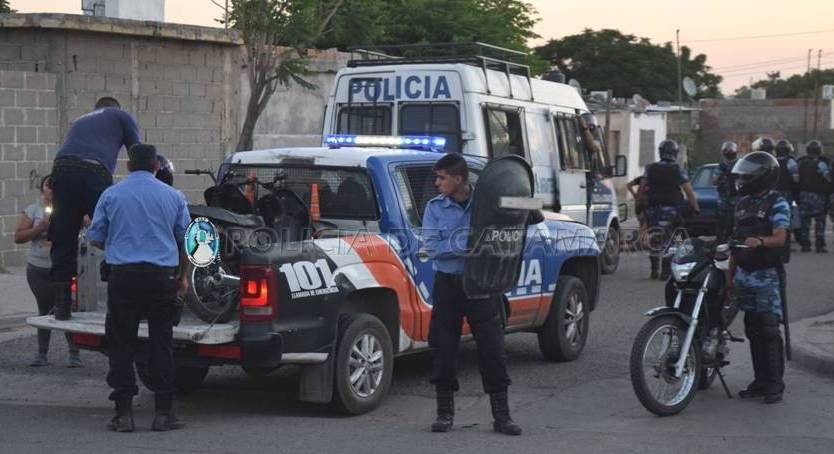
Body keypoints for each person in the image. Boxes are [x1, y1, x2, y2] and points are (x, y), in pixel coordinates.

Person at [86, 144, 191, 432]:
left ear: (129, 166)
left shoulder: (111, 194)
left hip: (123, 277)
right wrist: (182, 277)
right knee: (161, 344)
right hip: (161, 279)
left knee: (121, 345)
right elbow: (187, 242)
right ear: (157, 167)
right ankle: (163, 413)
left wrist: (120, 242)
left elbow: (95, 238)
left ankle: (123, 415)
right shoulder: (174, 197)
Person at [422, 153, 521, 436]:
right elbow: (430, 247)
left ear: (459, 179)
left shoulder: (488, 202)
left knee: (493, 349)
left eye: (442, 177)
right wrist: (468, 243)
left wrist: (526, 201)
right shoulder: (435, 207)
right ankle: (444, 414)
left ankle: (502, 416)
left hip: (483, 284)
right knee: (444, 348)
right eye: (436, 177)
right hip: (449, 284)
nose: (437, 182)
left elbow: (529, 210)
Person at [49, 97, 141, 320]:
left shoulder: (81, 120)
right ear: (115, 107)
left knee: (63, 234)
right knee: (115, 231)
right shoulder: (122, 116)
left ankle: (62, 305)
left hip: (60, 170)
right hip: (92, 172)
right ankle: (118, 297)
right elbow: (138, 156)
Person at [729, 151, 790, 404]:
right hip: (743, 273)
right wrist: (730, 278)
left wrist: (760, 241)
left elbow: (781, 237)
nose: (743, 178)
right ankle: (759, 381)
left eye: (748, 174)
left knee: (767, 329)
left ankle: (774, 384)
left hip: (766, 276)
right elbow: (735, 243)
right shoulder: (742, 203)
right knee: (752, 328)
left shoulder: (778, 203)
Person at [14, 175, 81, 368]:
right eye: (47, 186)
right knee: (44, 311)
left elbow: (87, 224)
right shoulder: (33, 210)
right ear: (42, 189)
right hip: (39, 269)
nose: (51, 189)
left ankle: (74, 353)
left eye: (55, 186)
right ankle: (41, 354)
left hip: (65, 269)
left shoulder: (70, 210)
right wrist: (39, 228)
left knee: (68, 309)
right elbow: (18, 237)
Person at [644, 140, 699, 280]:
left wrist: (640, 205)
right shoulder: (677, 169)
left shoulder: (650, 168)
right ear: (675, 153)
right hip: (672, 211)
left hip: (653, 210)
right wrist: (695, 207)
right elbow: (688, 190)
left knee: (654, 238)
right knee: (677, 238)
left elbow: (641, 189)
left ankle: (654, 268)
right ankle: (666, 270)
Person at [796, 140, 831, 253]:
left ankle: (805, 245)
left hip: (803, 195)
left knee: (805, 222)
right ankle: (819, 245)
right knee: (820, 220)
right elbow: (828, 178)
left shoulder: (800, 162)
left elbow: (796, 178)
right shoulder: (821, 163)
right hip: (818, 196)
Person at [713, 141, 740, 242]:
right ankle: (721, 241)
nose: (728, 152)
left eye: (729, 149)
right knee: (722, 221)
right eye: (726, 150)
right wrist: (723, 178)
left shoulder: (740, 164)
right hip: (724, 197)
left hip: (736, 196)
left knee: (736, 221)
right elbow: (714, 181)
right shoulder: (722, 166)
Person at [626, 175, 649, 244]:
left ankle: (643, 240)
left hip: (638, 203)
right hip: (645, 203)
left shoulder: (641, 178)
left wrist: (634, 195)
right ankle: (640, 241)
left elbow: (628, 185)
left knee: (643, 223)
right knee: (646, 222)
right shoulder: (653, 180)